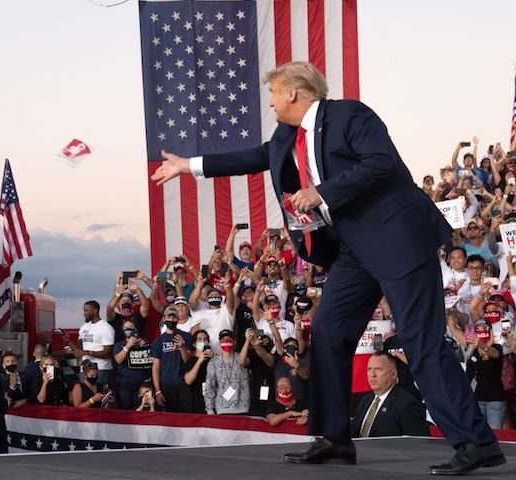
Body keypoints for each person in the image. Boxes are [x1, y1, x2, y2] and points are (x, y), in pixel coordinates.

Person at [151, 61, 504, 474]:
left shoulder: (350, 115)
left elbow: (382, 163)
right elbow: (255, 156)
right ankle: (334, 438)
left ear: (295, 93)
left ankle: (477, 443)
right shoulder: (287, 136)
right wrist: (188, 166)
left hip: (397, 239)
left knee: (421, 343)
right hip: (354, 251)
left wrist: (321, 192)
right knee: (328, 330)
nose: (270, 101)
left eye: (273, 93)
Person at [351, 353, 429, 438]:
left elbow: (419, 445)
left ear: (394, 374)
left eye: (378, 369)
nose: (372, 375)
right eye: (369, 369)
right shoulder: (366, 401)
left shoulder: (407, 405)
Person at [74, 300, 115, 386]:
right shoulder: (84, 327)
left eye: (86, 310)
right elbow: (79, 346)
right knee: (84, 393)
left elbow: (108, 353)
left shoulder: (106, 328)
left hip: (101, 368)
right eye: (84, 310)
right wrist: (70, 343)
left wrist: (88, 352)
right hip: (84, 369)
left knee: (100, 395)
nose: (84, 313)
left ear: (95, 311)